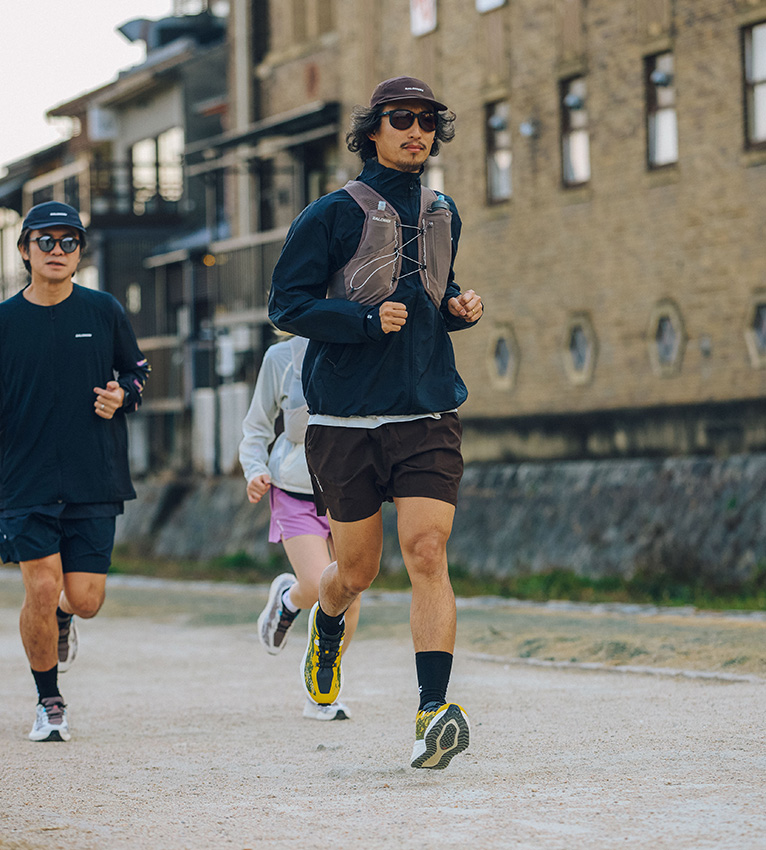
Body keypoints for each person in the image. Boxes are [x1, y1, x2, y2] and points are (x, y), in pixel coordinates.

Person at [268, 76, 483, 769]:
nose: (416, 130)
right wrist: (361, 321)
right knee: (355, 572)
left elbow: (432, 292)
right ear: (374, 130)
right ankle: (326, 626)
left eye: (426, 120)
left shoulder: (443, 211)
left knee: (427, 551)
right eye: (401, 119)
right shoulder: (330, 214)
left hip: (427, 410)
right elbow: (286, 305)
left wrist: (456, 308)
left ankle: (432, 712)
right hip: (345, 421)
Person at [0, 201, 150, 742]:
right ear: (25, 250)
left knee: (85, 600)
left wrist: (123, 395)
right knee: (41, 586)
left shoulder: (103, 310)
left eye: (69, 242)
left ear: (80, 252)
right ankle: (49, 701)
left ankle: (64, 618)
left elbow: (137, 372)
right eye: (46, 241)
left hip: (94, 475)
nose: (57, 250)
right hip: (24, 480)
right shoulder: (4, 321)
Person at [239, 333, 361, 720]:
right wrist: (255, 470)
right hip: (294, 490)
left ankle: (322, 691)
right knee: (316, 585)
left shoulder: (365, 344)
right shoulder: (281, 357)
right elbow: (256, 427)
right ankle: (288, 601)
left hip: (350, 488)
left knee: (351, 589)